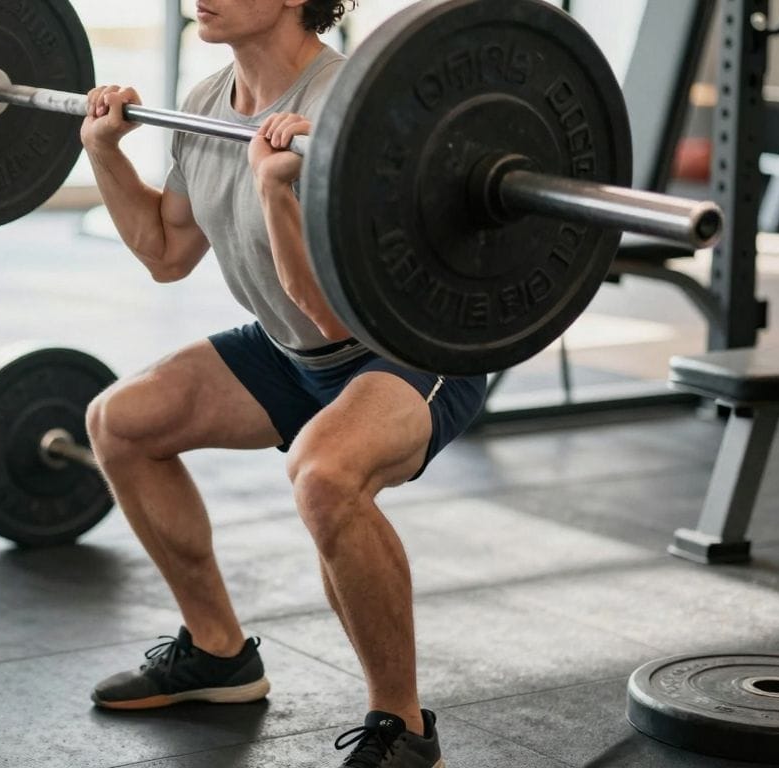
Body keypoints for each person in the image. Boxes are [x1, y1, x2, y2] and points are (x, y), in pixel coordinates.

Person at [79, 1, 487, 766]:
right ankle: (217, 653)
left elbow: (337, 318)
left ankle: (403, 725)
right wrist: (104, 153)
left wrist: (276, 193)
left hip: (399, 350)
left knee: (325, 476)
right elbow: (167, 252)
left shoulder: (347, 107)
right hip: (293, 349)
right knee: (120, 422)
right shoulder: (205, 102)